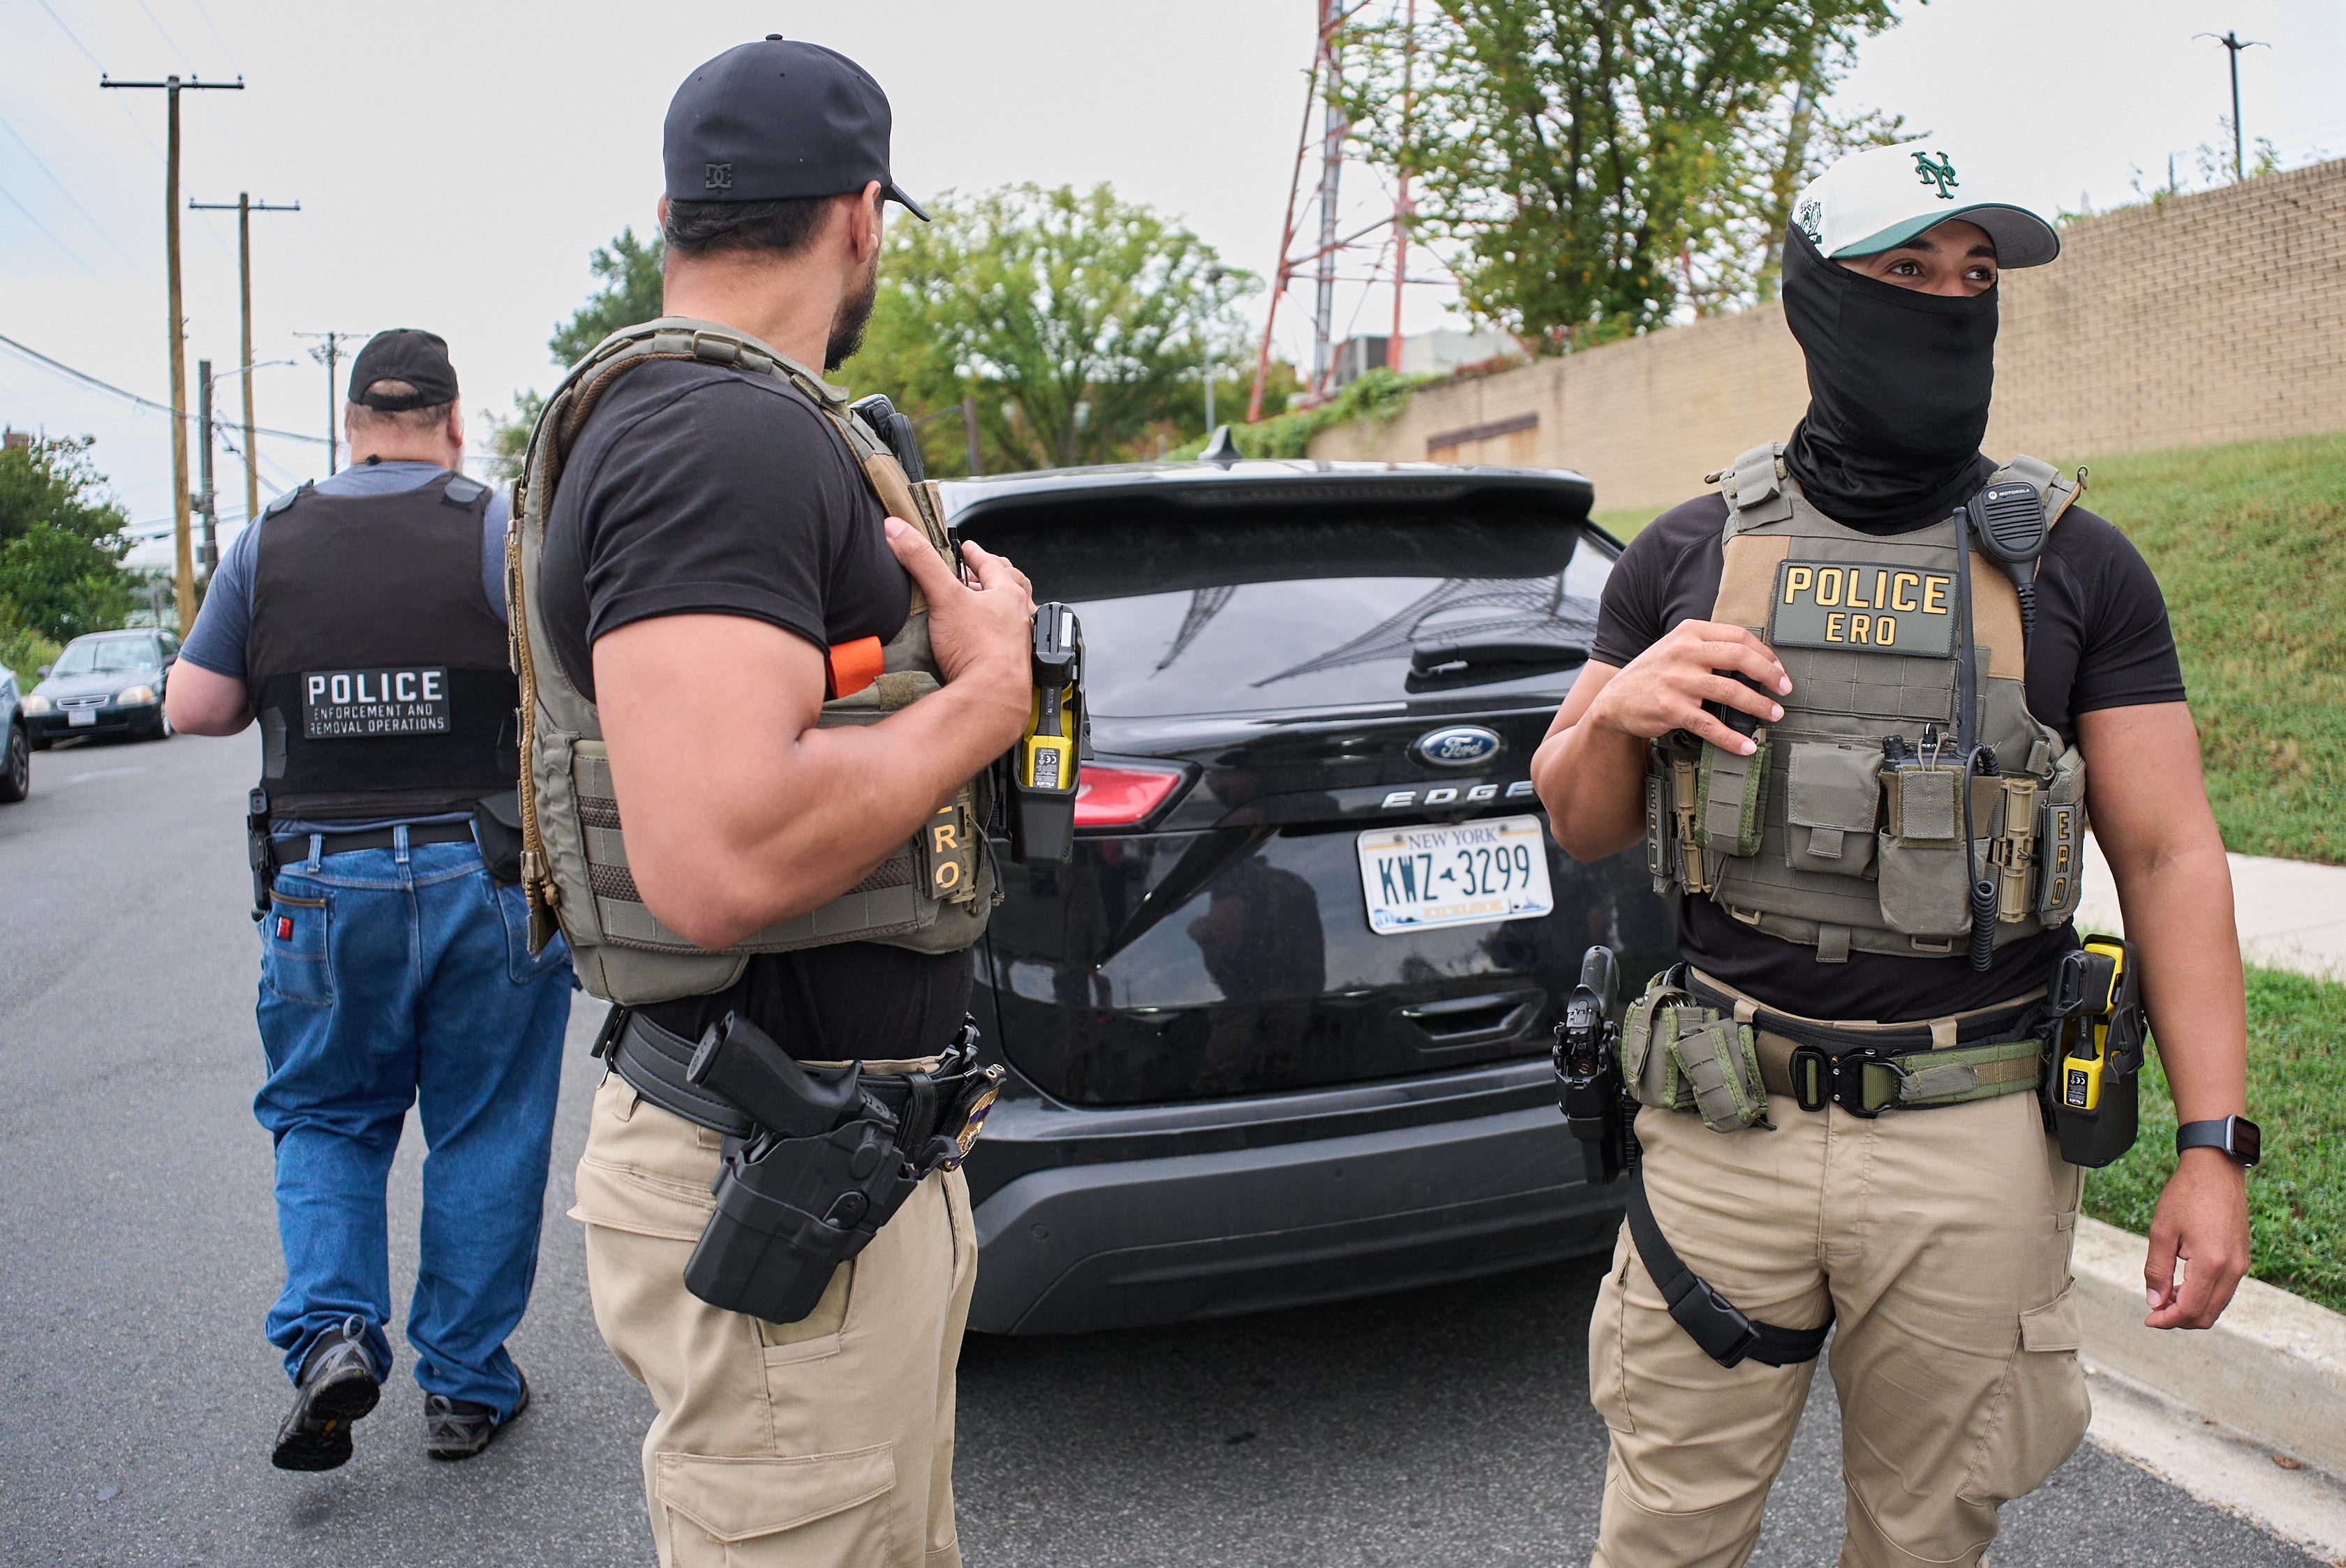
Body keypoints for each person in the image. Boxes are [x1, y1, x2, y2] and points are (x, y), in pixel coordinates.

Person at [1531, 140, 2259, 1567]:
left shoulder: (2075, 565)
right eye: (1906, 270)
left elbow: (2169, 854)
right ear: (1817, 299)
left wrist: (2211, 1144)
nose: (1948, 302)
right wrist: (1614, 701)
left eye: (1974, 278)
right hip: (1721, 1122)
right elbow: (1580, 814)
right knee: (1664, 1537)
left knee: (1925, 1539)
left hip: (1971, 1136)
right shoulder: (1685, 553)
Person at [509, 38, 1033, 1568]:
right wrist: (986, 697)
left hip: (837, 1159)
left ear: (674, 208)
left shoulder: (748, 427)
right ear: (861, 217)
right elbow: (717, 852)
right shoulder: (713, 434)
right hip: (776, 1161)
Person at [166, 329, 573, 1470]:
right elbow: (580, 675)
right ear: (453, 421)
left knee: (329, 1115)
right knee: (486, 1128)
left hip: (319, 887)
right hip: (486, 875)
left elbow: (193, 708)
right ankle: (465, 1388)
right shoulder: (499, 528)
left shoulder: (271, 539)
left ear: (350, 423)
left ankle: (334, 1332)